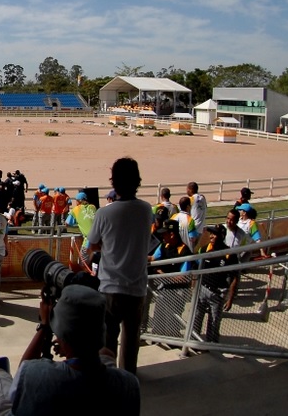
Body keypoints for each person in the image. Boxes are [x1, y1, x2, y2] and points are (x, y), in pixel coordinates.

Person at [0, 284, 140, 416]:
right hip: (93, 379)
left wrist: (44, 326)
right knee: (106, 355)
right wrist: (74, 348)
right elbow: (97, 351)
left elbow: (21, 382)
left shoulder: (34, 375)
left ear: (62, 337)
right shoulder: (130, 385)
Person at [87, 157, 154, 375]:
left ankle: (108, 382)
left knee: (107, 342)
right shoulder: (146, 209)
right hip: (137, 287)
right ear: (137, 181)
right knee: (131, 341)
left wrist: (108, 245)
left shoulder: (105, 213)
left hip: (110, 287)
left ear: (114, 182)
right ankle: (128, 381)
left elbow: (92, 245)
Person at [194, 224, 240, 342]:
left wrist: (230, 298)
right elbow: (197, 268)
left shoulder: (229, 253)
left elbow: (235, 276)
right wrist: (194, 285)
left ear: (221, 236)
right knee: (197, 317)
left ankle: (211, 345)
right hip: (202, 289)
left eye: (214, 234)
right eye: (211, 234)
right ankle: (194, 340)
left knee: (214, 321)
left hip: (218, 293)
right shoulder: (204, 249)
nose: (211, 236)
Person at [149, 219, 194, 338]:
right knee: (159, 314)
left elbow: (183, 278)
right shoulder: (164, 245)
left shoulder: (184, 251)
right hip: (165, 288)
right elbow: (153, 258)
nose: (162, 236)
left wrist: (161, 273)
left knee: (173, 318)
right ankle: (158, 336)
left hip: (178, 291)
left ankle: (173, 339)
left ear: (172, 234)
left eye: (164, 233)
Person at [69, 191, 98, 266]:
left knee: (82, 263)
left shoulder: (76, 209)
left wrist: (77, 222)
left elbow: (67, 223)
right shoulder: (93, 207)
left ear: (78, 201)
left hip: (88, 241)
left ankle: (86, 276)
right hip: (99, 240)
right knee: (95, 261)